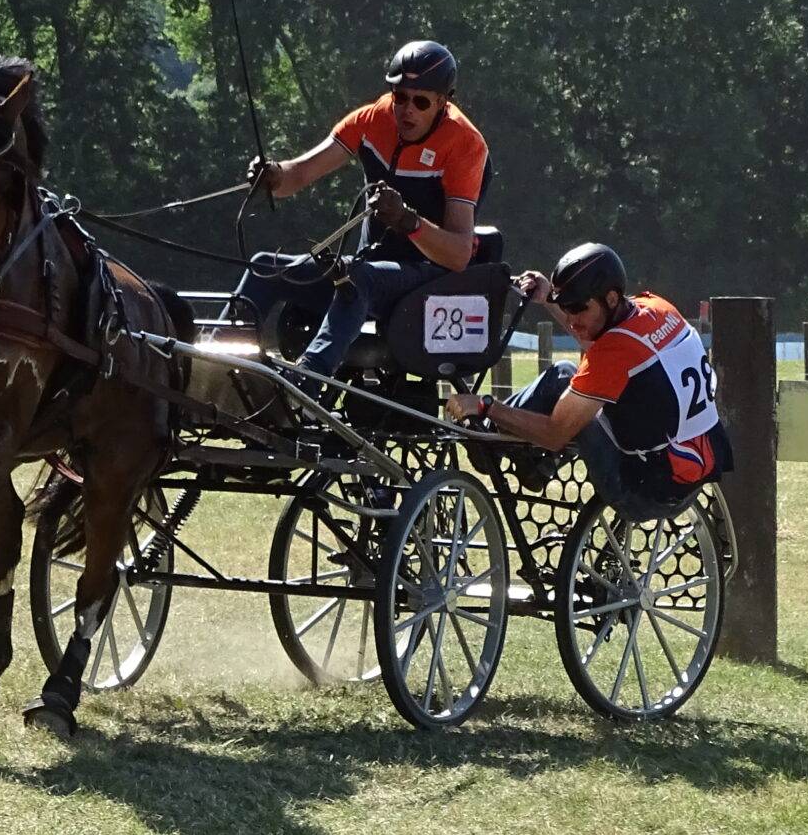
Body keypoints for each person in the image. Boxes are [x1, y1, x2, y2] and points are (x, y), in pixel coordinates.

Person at [230, 40, 489, 377]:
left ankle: (305, 381)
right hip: (368, 270)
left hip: (426, 277)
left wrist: (407, 220)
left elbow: (458, 255)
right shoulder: (372, 119)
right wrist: (274, 175)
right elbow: (299, 174)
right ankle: (216, 367)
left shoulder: (465, 144)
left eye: (421, 101)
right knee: (264, 267)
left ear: (443, 101)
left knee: (355, 277)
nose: (407, 110)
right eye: (400, 97)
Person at [456, 241, 729, 513]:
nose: (571, 319)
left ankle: (490, 445)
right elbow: (604, 345)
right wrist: (549, 297)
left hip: (645, 492)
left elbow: (554, 433)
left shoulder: (614, 352)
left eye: (578, 308)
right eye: (566, 307)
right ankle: (535, 463)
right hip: (694, 471)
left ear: (611, 298)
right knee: (581, 390)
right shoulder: (656, 307)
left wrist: (486, 406)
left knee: (562, 377)